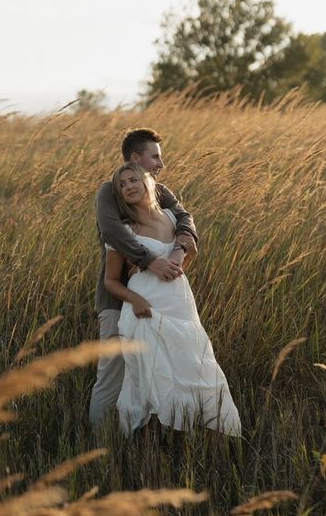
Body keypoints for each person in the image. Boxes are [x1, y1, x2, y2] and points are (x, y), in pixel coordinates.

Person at [104, 162, 241, 436]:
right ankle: (154, 444)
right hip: (145, 311)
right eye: (122, 184)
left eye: (133, 180)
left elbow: (189, 255)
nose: (128, 186)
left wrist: (178, 260)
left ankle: (198, 436)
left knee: (195, 369)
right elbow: (110, 281)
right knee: (155, 379)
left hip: (180, 304)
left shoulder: (171, 217)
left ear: (148, 182)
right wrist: (134, 299)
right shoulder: (124, 230)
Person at [89, 128, 198, 426]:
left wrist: (178, 251)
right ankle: (100, 442)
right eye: (155, 157)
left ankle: (145, 437)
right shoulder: (110, 191)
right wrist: (151, 262)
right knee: (111, 374)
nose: (161, 164)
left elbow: (185, 220)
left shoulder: (160, 193)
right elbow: (111, 232)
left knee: (152, 373)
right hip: (117, 298)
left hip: (159, 302)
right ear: (136, 158)